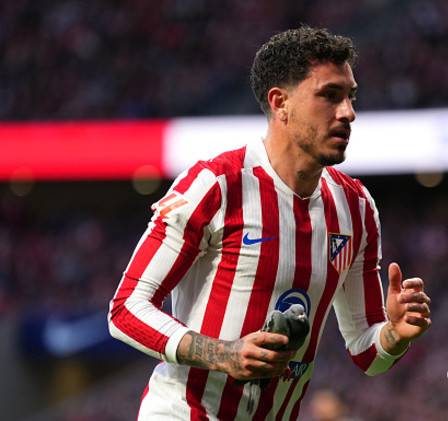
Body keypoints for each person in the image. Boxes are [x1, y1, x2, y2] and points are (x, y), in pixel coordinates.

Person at [108, 26, 431, 420]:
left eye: (351, 97)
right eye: (330, 95)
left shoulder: (356, 207)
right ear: (280, 103)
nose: (348, 112)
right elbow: (125, 309)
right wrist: (222, 354)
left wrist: (395, 334)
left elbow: (367, 354)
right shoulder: (217, 184)